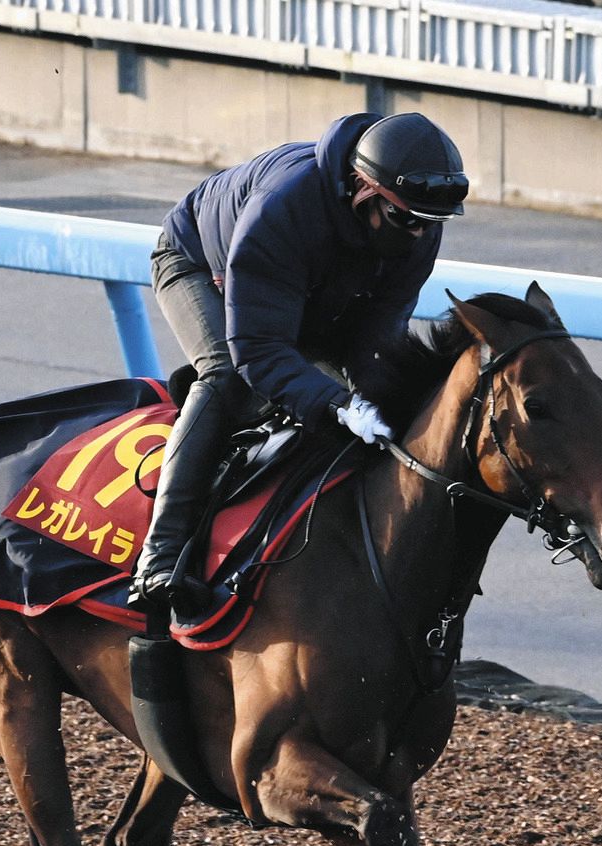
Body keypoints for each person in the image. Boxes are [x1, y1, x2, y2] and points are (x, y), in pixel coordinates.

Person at [130, 111, 469, 612]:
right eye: (405, 220)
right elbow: (258, 348)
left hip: (311, 279)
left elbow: (375, 343)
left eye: (430, 224)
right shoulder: (283, 207)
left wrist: (380, 401)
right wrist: (336, 404)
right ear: (362, 187)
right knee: (224, 373)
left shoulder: (414, 221)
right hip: (198, 262)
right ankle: (159, 557)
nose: (418, 235)